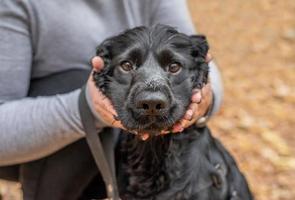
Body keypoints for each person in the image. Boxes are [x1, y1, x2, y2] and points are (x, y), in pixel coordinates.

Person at [0, 0, 223, 198]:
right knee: (72, 80)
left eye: (173, 67)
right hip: (35, 145)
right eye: (127, 66)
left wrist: (204, 100)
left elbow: (196, 58)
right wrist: (85, 108)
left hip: (131, 149)